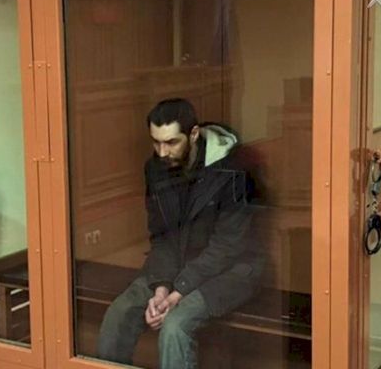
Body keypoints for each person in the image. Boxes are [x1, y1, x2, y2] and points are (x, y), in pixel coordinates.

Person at [96, 98, 263, 369]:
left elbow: (227, 248)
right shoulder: (155, 168)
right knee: (119, 313)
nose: (162, 152)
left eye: (172, 142)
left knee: (175, 325)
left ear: (194, 134)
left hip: (231, 270)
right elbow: (160, 236)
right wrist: (161, 288)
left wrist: (177, 293)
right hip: (177, 264)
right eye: (156, 142)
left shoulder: (233, 170)